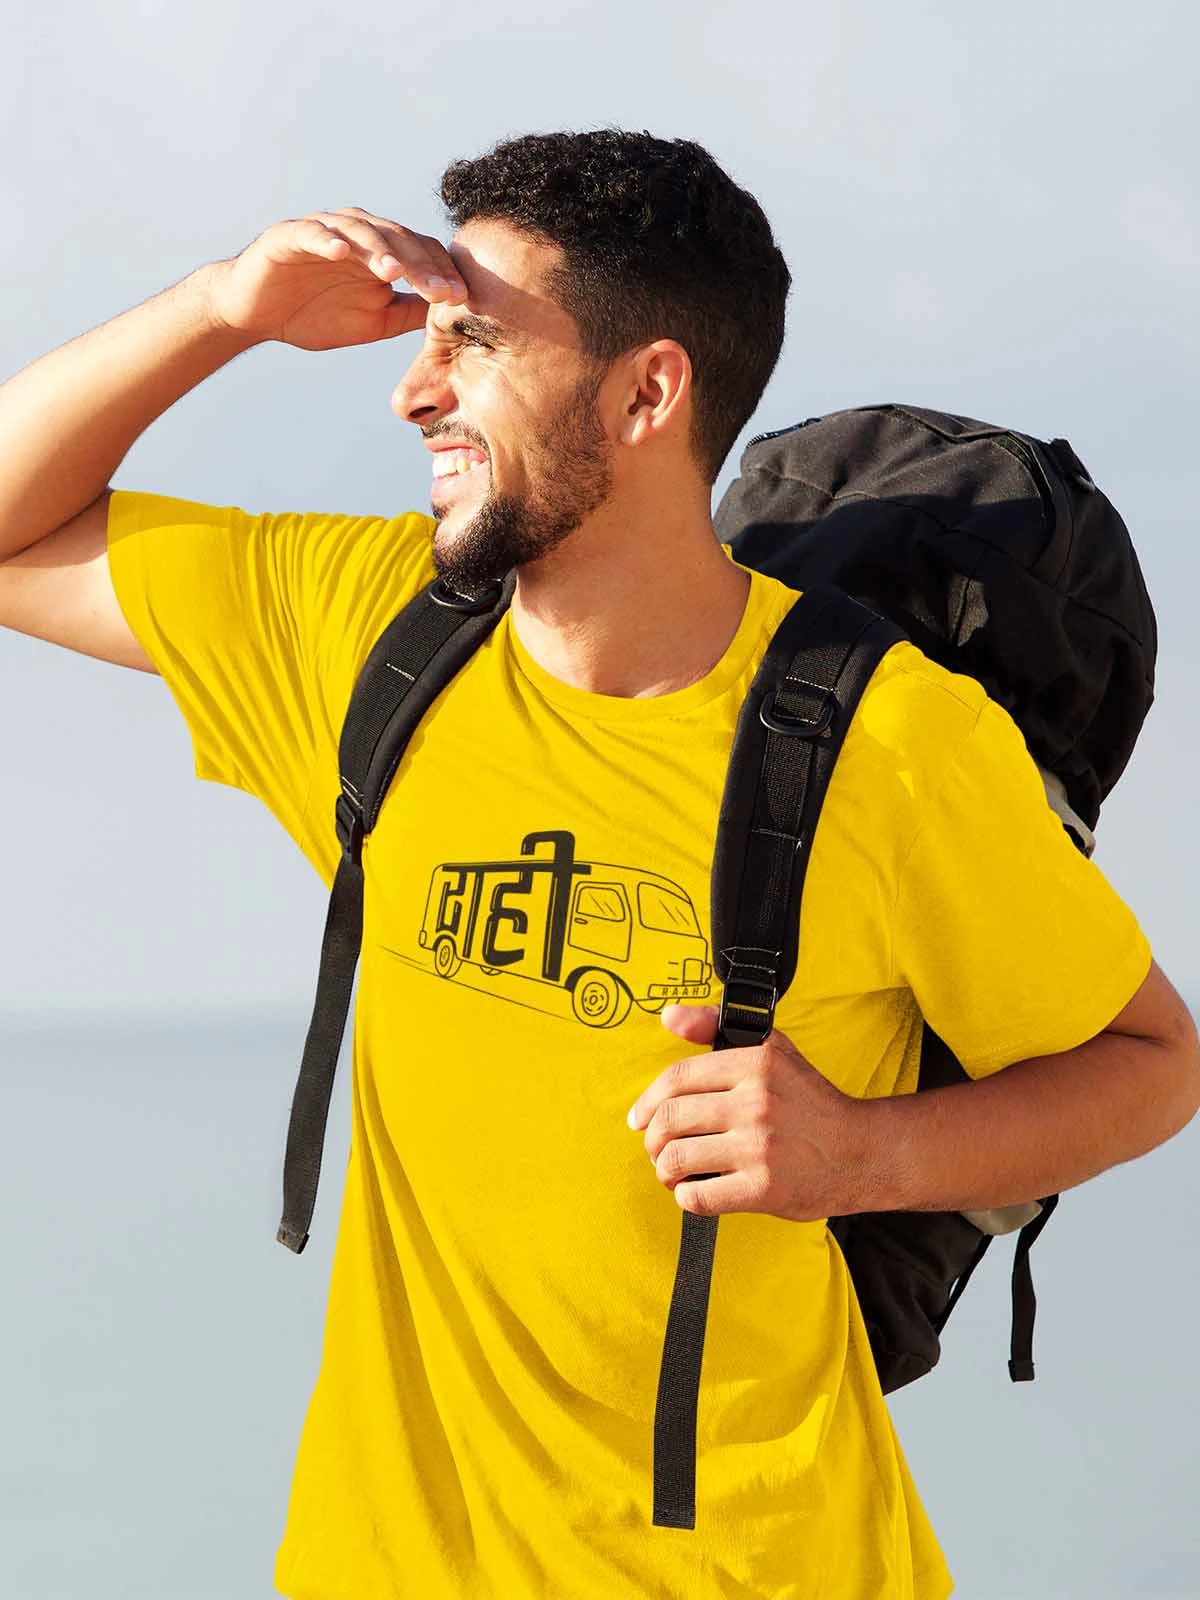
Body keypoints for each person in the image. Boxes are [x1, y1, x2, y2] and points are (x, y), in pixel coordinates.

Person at [0, 129, 1195, 1600]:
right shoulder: (370, 637)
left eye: (475, 343)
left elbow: (1151, 1065)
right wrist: (219, 308)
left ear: (648, 392)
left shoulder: (891, 744)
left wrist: (866, 1157)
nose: (414, 390)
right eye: (426, 339)